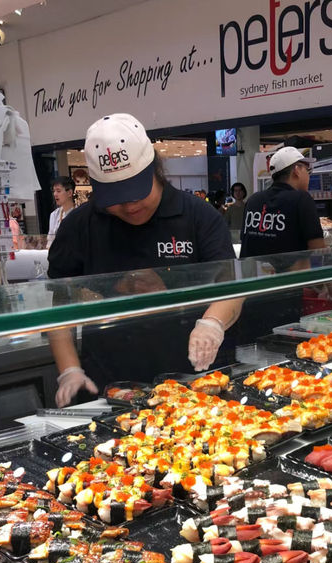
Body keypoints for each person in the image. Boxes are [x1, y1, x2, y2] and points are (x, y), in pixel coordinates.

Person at [48, 113, 242, 406]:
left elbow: (232, 290)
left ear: (155, 168)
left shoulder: (198, 217)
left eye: (137, 191)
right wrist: (69, 369)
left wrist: (211, 324)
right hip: (109, 388)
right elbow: (60, 305)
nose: (129, 205)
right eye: (116, 197)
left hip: (192, 386)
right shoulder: (79, 226)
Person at [237, 146, 326, 337]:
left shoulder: (253, 200)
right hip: (285, 295)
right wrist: (331, 289)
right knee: (282, 351)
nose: (308, 175)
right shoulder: (302, 199)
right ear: (296, 170)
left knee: (253, 347)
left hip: (251, 293)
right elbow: (319, 252)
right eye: (306, 170)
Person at [47, 177, 76, 247]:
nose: (55, 194)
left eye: (58, 191)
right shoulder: (54, 215)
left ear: (69, 193)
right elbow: (50, 240)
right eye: (54, 191)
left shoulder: (81, 214)